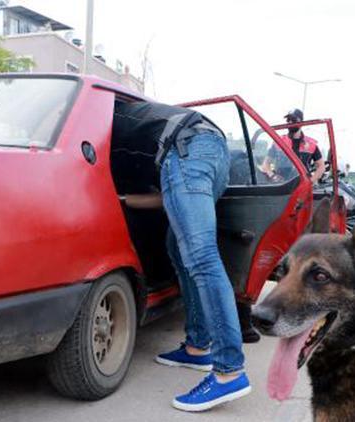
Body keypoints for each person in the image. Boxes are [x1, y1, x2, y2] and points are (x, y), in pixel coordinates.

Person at [112, 101, 250, 412]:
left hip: (188, 147)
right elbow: (169, 197)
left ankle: (229, 370)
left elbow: (180, 177)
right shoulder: (153, 138)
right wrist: (122, 199)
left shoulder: (106, 120)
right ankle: (197, 345)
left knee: (201, 258)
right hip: (212, 151)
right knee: (178, 246)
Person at [261, 109, 325, 184]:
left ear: (302, 123)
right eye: (288, 119)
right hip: (281, 186)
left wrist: (310, 181)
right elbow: (265, 164)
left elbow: (321, 166)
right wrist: (272, 176)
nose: (290, 122)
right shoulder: (278, 142)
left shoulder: (311, 144)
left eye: (293, 119)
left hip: (302, 186)